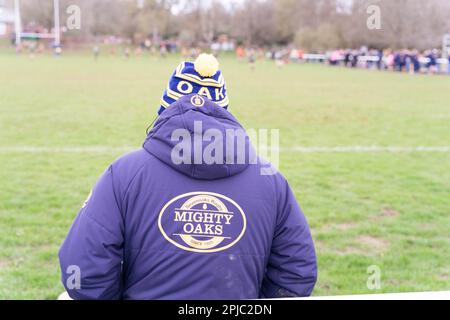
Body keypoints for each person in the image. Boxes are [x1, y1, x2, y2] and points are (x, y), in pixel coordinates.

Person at [59, 54, 317, 300]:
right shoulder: (272, 181)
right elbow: (296, 274)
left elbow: (83, 270)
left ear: (166, 109)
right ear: (224, 112)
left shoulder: (123, 173)